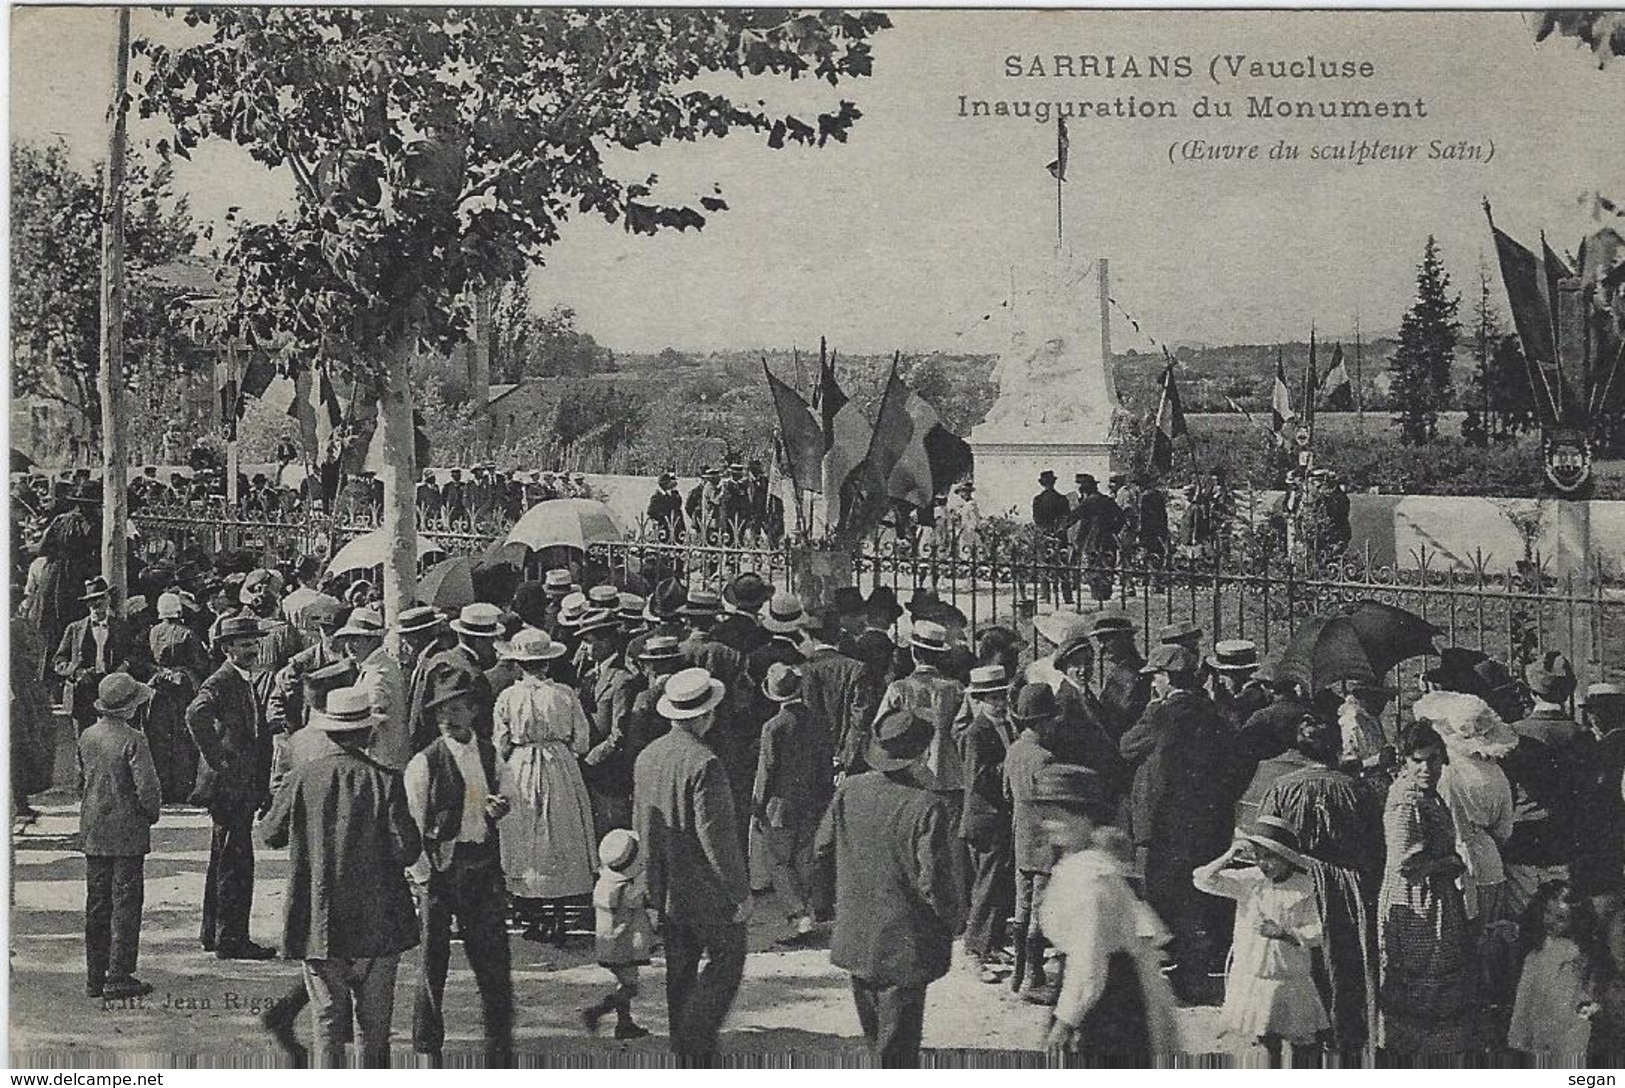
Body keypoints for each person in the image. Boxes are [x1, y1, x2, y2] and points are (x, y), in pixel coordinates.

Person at [260, 686, 422, 1069]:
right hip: (378, 923)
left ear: (330, 732)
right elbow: (407, 851)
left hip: (319, 921)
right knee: (374, 1030)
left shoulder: (301, 779)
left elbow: (269, 835)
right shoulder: (386, 781)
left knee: (327, 1026)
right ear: (368, 733)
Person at [815, 706, 967, 1068]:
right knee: (899, 1045)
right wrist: (953, 920)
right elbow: (934, 880)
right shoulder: (928, 805)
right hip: (906, 941)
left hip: (856, 933)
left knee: (876, 1037)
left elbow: (821, 849)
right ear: (921, 753)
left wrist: (825, 904)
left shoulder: (849, 790)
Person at [633, 666, 750, 1068]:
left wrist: (648, 883)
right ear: (705, 715)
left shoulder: (648, 756)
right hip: (705, 888)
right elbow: (716, 837)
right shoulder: (705, 763)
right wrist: (739, 891)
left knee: (679, 967)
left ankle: (682, 1046)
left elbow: (640, 824)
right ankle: (697, 1037)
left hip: (665, 884)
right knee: (729, 956)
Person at [403, 672, 516, 1067]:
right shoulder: (424, 762)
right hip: (440, 871)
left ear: (473, 711)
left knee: (493, 962)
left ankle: (500, 1052)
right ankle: (427, 1049)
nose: (448, 719)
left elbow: (508, 796)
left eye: (456, 709)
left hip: (481, 867)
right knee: (432, 964)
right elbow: (411, 824)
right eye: (440, 713)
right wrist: (424, 876)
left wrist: (499, 809)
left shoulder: (489, 754)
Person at [1119, 642, 1240, 1001]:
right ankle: (1195, 974)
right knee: (1193, 900)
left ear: (1168, 679)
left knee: (1159, 899)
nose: (1153, 684)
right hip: (1202, 823)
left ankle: (1166, 979)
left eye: (1156, 677)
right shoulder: (1211, 712)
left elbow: (1126, 746)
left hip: (1161, 824)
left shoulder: (1161, 714)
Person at [1036, 763, 1179, 1065]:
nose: (1048, 824)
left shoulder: (1092, 877)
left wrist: (1065, 1021)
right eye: (1045, 816)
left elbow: (1089, 959)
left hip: (1105, 1000)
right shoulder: (1076, 863)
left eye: (1058, 817)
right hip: (1092, 989)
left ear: (1085, 818)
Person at [491, 627, 598, 944]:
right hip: (558, 766)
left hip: (521, 765)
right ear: (547, 663)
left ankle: (534, 917)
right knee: (559, 833)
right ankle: (560, 919)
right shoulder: (564, 694)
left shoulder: (508, 697)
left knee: (527, 836)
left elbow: (500, 743)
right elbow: (582, 740)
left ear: (518, 663)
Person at [1378, 720, 1475, 1058]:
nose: (1426, 767)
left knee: (1437, 983)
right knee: (1421, 979)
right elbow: (1405, 862)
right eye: (1417, 760)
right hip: (1417, 899)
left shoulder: (1427, 795)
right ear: (1404, 761)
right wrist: (1449, 863)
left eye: (1433, 759)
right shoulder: (1407, 800)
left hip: (1435, 895)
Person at [1194, 823, 1329, 1066]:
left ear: (1287, 859)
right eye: (1258, 857)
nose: (1263, 864)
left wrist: (1285, 933)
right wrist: (1230, 855)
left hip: (1288, 977)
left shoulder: (1304, 887)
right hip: (1256, 974)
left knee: (1302, 1040)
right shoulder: (1250, 881)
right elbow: (1203, 880)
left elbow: (1318, 931)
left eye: (1270, 858)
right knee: (1266, 1037)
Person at [186, 614, 277, 960]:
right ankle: (232, 939)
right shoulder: (221, 681)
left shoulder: (243, 679)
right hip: (229, 787)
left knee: (224, 858)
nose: (252, 649)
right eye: (244, 644)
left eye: (255, 642)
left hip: (241, 785)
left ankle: (215, 932)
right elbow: (196, 715)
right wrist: (218, 759)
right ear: (227, 648)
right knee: (235, 863)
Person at [78, 673, 163, 1000]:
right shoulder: (134, 739)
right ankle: (120, 974)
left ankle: (94, 976)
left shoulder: (87, 735)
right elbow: (148, 787)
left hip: (94, 829)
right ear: (130, 708)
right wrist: (150, 815)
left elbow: (82, 775)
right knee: (126, 902)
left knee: (97, 902)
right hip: (127, 831)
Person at [751, 662, 833, 945]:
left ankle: (799, 916)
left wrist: (757, 807)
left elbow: (767, 771)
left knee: (779, 862)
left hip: (779, 806)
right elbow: (825, 765)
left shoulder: (773, 727)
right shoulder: (818, 721)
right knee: (805, 858)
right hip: (812, 801)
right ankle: (809, 909)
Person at [1003, 684, 1063, 1002]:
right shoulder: (1046, 758)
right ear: (1041, 723)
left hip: (1021, 838)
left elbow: (1005, 793)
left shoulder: (1013, 751)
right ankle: (1034, 977)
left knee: (1021, 905)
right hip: (1043, 844)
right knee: (1040, 910)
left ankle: (1017, 972)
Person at [958, 664, 1017, 983]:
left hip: (1000, 817)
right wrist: (1010, 765)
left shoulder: (1007, 725)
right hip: (984, 818)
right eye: (991, 698)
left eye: (1001, 696)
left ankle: (992, 942)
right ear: (978, 700)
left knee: (998, 884)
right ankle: (974, 949)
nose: (999, 702)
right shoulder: (975, 732)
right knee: (985, 885)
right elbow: (976, 778)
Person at [1507, 880, 1601, 1063]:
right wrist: (1517, 1041)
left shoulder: (1580, 959)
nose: (1550, 921)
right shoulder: (1536, 954)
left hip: (1568, 1036)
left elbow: (1584, 1007)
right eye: (1548, 912)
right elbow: (1524, 1001)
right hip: (1537, 1031)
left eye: (1561, 918)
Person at [582, 829, 655, 1040]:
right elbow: (640, 905)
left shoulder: (604, 883)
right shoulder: (629, 888)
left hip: (607, 943)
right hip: (623, 944)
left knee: (624, 982)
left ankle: (624, 1023)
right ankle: (597, 1011)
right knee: (630, 987)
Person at [146, 591, 209, 803]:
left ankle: (162, 787)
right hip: (182, 690)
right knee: (183, 739)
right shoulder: (188, 634)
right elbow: (201, 664)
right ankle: (182, 788)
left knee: (160, 738)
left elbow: (143, 658)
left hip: (159, 689)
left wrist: (160, 672)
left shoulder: (152, 632)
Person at [55, 576, 140, 731]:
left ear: (108, 599)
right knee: (84, 737)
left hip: (112, 686)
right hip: (84, 690)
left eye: (99, 598)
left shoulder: (121, 627)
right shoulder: (75, 629)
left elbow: (135, 653)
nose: (95, 604)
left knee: (113, 736)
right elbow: (59, 661)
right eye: (91, 600)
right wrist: (77, 671)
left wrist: (124, 665)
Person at [647, 472, 685, 541]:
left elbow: (678, 505)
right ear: (664, 485)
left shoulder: (672, 494)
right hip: (664, 528)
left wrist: (675, 494)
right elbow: (651, 511)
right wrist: (663, 517)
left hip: (676, 527)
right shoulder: (656, 497)